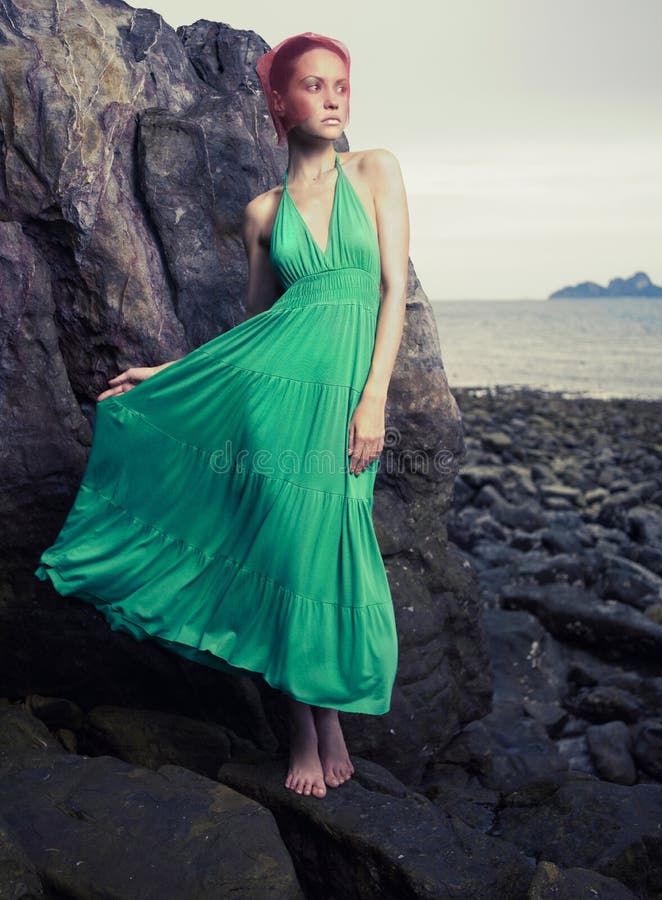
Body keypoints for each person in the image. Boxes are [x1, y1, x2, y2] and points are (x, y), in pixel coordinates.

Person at [34, 31, 410, 800]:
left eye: (341, 84)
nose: (333, 98)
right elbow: (253, 332)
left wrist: (373, 398)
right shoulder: (263, 213)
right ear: (279, 100)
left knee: (324, 549)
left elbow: (390, 293)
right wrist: (169, 374)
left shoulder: (374, 171)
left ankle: (328, 718)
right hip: (270, 403)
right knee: (281, 554)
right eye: (313, 85)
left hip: (341, 402)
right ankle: (305, 731)